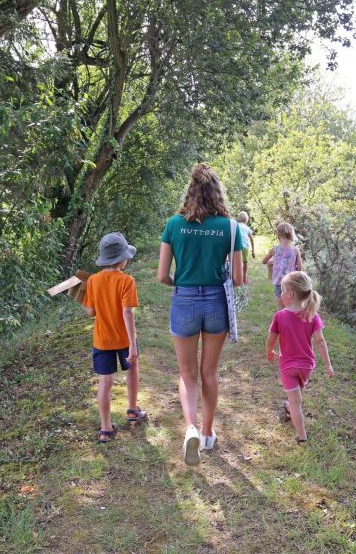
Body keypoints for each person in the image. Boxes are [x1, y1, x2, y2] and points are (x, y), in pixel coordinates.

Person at [157, 164, 244, 465]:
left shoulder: (173, 225)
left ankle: (190, 427)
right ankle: (207, 433)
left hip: (184, 299)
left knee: (187, 373)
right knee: (209, 372)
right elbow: (238, 277)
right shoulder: (230, 227)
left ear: (190, 190)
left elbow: (161, 276)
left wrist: (180, 283)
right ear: (217, 192)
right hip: (216, 302)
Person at [82, 232, 146, 443]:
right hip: (123, 339)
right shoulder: (127, 281)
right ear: (121, 259)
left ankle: (105, 428)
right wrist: (132, 345)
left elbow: (91, 312)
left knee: (105, 383)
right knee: (133, 367)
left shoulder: (92, 280)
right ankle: (132, 409)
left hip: (102, 339)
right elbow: (127, 312)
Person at [265, 271, 333, 444]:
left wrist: (269, 351)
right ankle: (289, 408)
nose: (280, 294)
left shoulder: (280, 316)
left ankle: (301, 435)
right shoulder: (312, 315)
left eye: (282, 290)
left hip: (288, 366)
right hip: (307, 366)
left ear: (290, 294)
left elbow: (271, 339)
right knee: (296, 395)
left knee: (296, 403)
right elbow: (320, 340)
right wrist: (328, 365)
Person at [261, 222, 302, 309]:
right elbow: (300, 269)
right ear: (291, 235)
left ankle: (282, 320)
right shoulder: (295, 250)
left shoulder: (274, 249)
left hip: (280, 283)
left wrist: (271, 261)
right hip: (292, 283)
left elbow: (264, 261)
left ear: (278, 236)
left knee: (281, 307)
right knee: (291, 306)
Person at [236, 211, 256, 284]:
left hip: (237, 246)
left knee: (236, 261)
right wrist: (253, 251)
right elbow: (251, 239)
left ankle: (236, 276)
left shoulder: (236, 225)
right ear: (246, 220)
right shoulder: (247, 228)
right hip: (245, 247)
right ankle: (244, 277)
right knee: (245, 262)